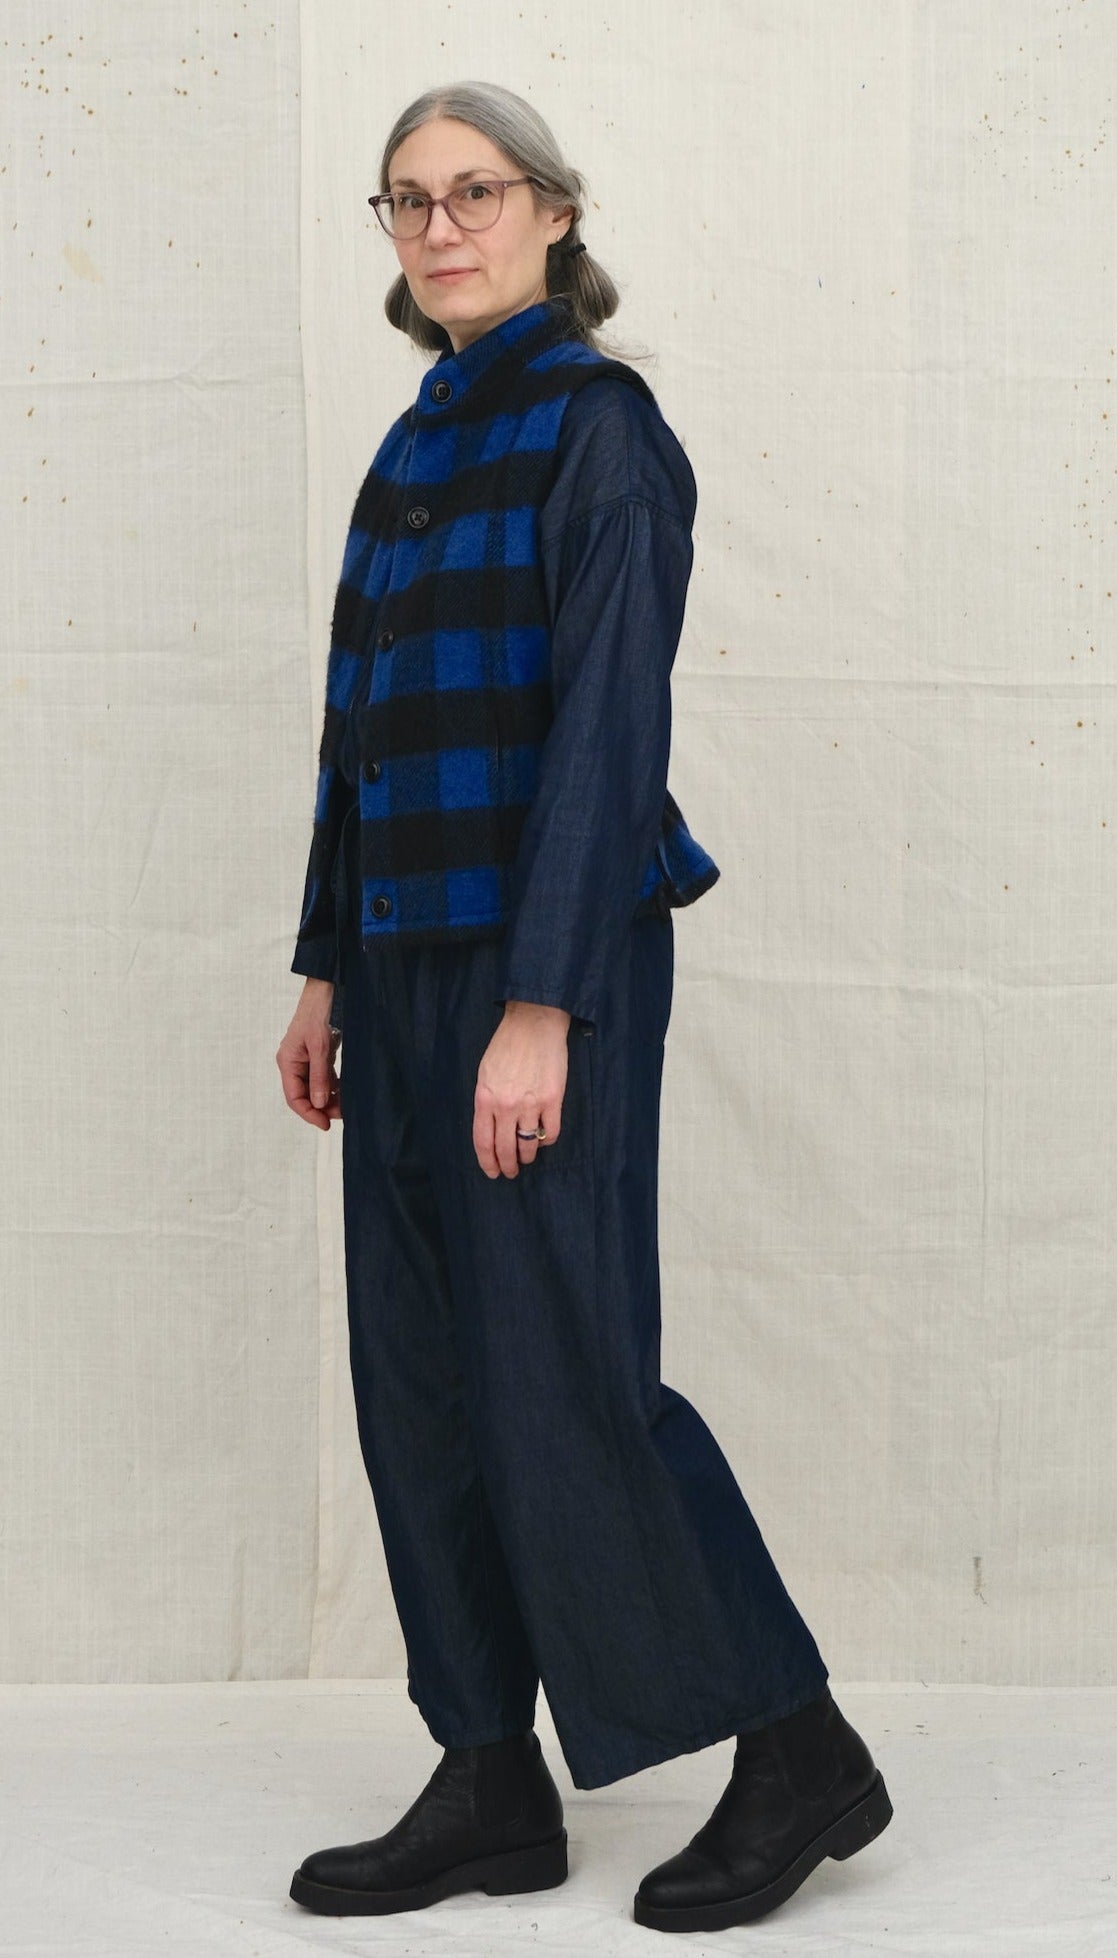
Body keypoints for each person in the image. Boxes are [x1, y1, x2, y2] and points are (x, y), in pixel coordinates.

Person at [275, 80, 892, 1934]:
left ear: (554, 214)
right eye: (407, 200)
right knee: (422, 1378)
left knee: (566, 1373)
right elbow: (360, 735)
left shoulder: (598, 430)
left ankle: (798, 1746)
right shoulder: (411, 447)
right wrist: (322, 963)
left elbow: (612, 733)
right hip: (398, 962)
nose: (439, 227)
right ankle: (486, 1772)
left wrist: (539, 1002)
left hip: (542, 961)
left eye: (476, 192)